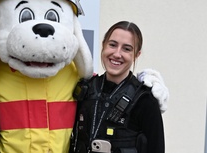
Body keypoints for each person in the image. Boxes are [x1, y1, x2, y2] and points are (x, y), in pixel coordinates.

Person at [69, 21, 165, 153]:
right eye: (113, 45)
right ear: (104, 45)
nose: (117, 54)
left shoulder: (145, 100)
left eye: (127, 49)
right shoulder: (86, 89)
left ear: (136, 55)